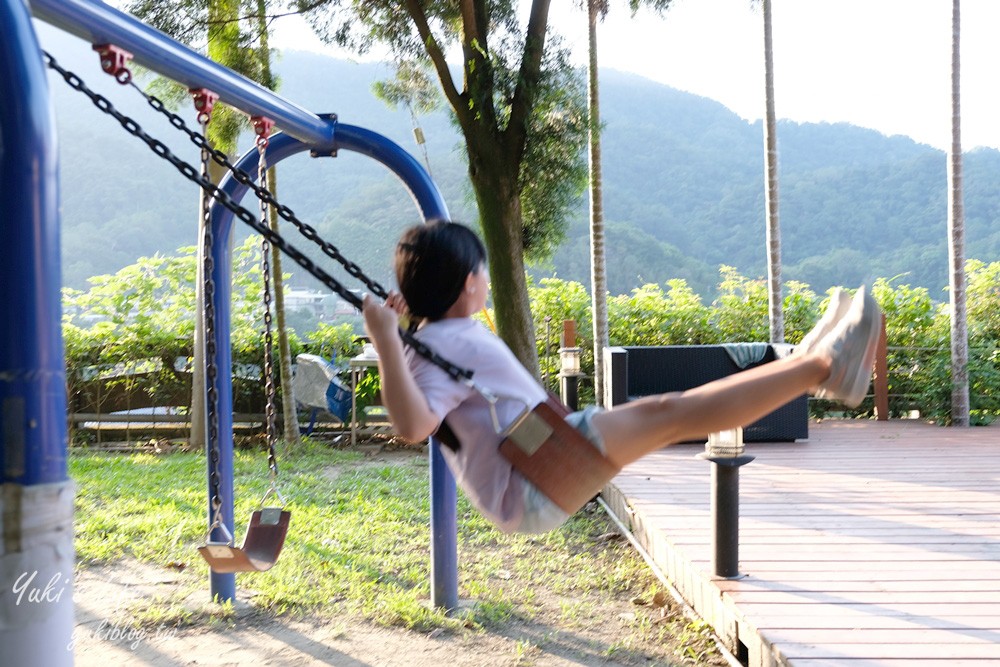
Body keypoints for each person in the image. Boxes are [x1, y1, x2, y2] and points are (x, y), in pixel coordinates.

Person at [362, 221, 882, 534]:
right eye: (481, 272)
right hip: (534, 477)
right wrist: (387, 337)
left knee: (671, 412)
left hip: (545, 452)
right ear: (467, 282)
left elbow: (433, 369)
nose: (485, 281)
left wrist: (404, 324)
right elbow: (414, 425)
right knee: (673, 412)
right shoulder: (433, 343)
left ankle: (809, 363)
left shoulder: (436, 332)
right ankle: (824, 368)